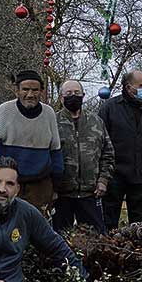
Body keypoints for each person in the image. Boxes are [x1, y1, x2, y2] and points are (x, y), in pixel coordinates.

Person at [0, 70, 62, 213]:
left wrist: (56, 186)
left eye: (35, 90)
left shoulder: (48, 113)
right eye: (25, 90)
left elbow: (55, 151)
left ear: (41, 92)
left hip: (39, 183)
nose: (30, 95)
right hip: (8, 182)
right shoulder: (6, 110)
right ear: (17, 91)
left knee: (37, 226)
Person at [98, 70, 142, 226]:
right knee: (107, 222)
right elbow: (99, 143)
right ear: (128, 87)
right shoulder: (110, 108)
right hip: (115, 176)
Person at [54, 80, 115, 233]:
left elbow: (108, 154)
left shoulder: (96, 121)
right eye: (68, 94)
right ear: (61, 98)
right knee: (60, 239)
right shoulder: (53, 122)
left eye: (76, 93)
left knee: (97, 239)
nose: (72, 96)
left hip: (90, 193)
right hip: (61, 194)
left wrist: (103, 180)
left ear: (83, 96)